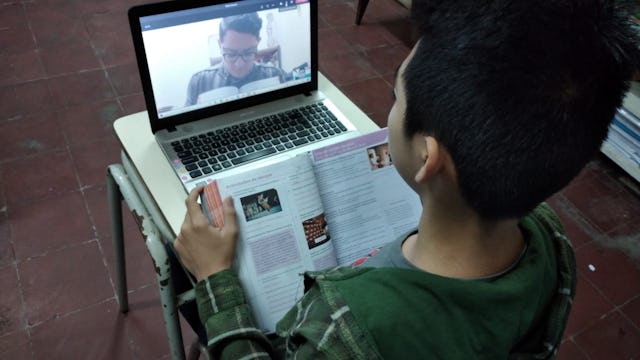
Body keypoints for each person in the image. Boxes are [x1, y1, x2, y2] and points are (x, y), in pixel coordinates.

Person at [173, 0, 639, 358]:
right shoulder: (554, 243)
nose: (390, 109)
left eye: (397, 96)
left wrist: (216, 278)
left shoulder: (342, 324)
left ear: (427, 157)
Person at [185, 12, 289, 106]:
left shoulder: (276, 75)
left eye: (248, 53)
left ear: (258, 42)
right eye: (231, 54)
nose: (239, 64)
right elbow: (186, 124)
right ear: (219, 44)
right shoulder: (199, 82)